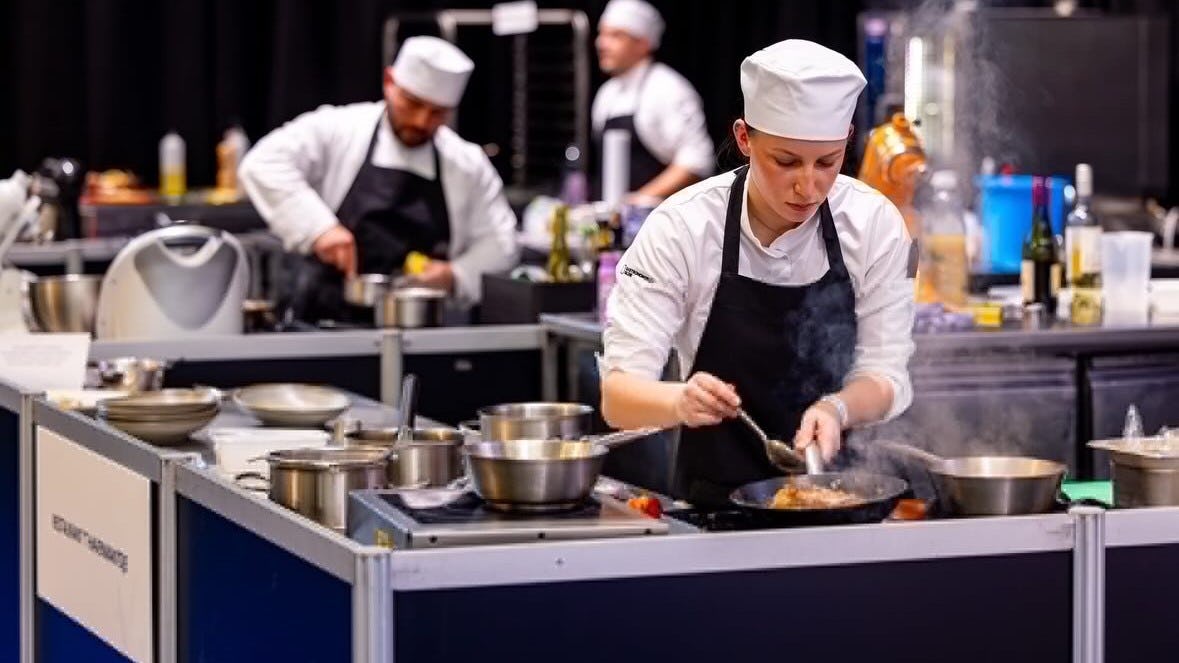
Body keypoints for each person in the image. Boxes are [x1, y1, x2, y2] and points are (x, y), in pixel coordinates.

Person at [599, 40, 916, 506]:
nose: (808, 186)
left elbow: (887, 374)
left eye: (827, 162)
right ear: (745, 138)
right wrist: (678, 401)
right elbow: (617, 398)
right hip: (712, 508)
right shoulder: (682, 227)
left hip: (844, 498)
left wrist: (837, 406)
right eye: (785, 161)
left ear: (847, 139)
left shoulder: (873, 224)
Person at [240, 36, 519, 322]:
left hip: (419, 327)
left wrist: (454, 275)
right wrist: (319, 228)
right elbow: (262, 163)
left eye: (437, 113)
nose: (421, 122)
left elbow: (501, 244)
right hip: (322, 319)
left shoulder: (466, 163)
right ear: (389, 81)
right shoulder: (338, 128)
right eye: (412, 104)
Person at [592, 0, 713, 200]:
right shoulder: (606, 93)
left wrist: (638, 201)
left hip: (660, 220)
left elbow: (696, 161)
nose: (601, 44)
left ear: (643, 44)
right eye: (602, 34)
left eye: (615, 36)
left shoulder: (668, 88)